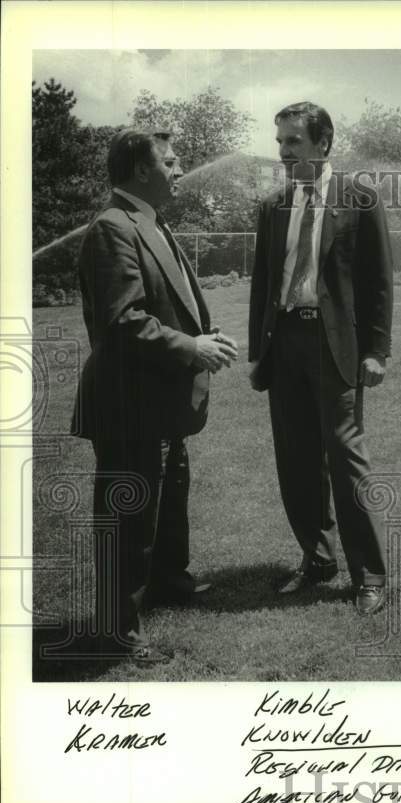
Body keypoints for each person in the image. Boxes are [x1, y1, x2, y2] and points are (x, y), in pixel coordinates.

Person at [71, 129, 238, 664]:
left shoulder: (146, 221)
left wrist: (200, 335)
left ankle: (169, 583)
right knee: (130, 517)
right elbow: (122, 321)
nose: (179, 168)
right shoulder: (111, 228)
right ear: (141, 170)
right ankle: (121, 629)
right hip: (129, 404)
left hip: (157, 398)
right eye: (169, 161)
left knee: (170, 494)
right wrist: (191, 345)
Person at [248, 101, 393, 615]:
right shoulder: (272, 206)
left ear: (323, 143)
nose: (283, 152)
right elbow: (264, 284)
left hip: (336, 349)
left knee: (346, 457)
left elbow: (378, 284)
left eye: (293, 141)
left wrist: (376, 350)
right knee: (296, 460)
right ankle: (318, 558)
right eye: (280, 141)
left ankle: (370, 574)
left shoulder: (359, 199)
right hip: (284, 343)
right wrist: (258, 352)